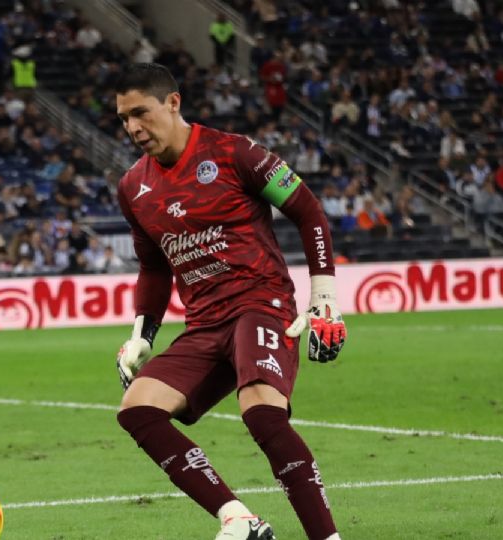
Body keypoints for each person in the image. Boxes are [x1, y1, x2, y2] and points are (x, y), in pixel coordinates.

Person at [113, 63, 345, 540]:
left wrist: (324, 298)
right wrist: (142, 334)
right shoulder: (133, 188)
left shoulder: (236, 153)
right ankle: (238, 518)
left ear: (173, 103)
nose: (133, 127)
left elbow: (309, 212)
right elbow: (155, 267)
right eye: (123, 118)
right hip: (204, 323)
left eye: (141, 113)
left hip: (260, 303)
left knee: (261, 412)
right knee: (137, 408)